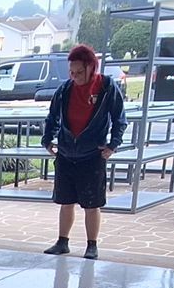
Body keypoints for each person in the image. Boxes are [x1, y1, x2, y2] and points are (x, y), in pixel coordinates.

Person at [41, 45, 128, 260]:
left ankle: (92, 245)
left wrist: (112, 145)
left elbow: (120, 119)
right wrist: (47, 140)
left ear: (91, 68)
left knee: (92, 203)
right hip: (67, 153)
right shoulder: (64, 90)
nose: (74, 76)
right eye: (71, 72)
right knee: (65, 201)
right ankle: (62, 241)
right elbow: (52, 117)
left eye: (79, 72)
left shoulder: (107, 88)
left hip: (92, 155)